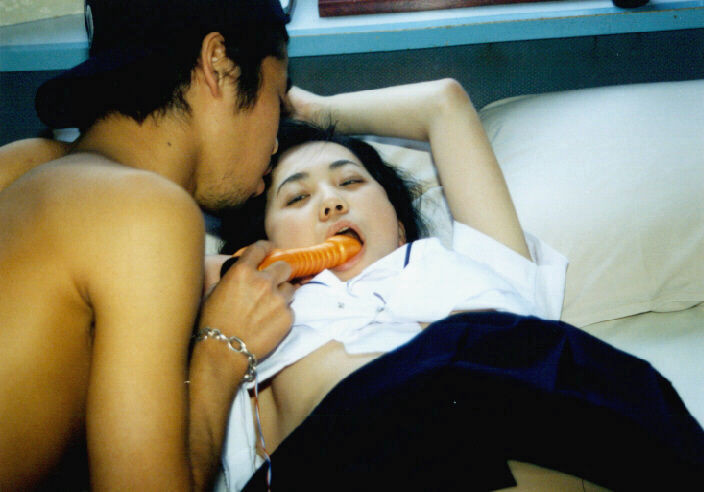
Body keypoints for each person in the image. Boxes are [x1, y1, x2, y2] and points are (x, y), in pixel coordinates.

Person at [211, 80, 704, 490]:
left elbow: (444, 104)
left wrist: (315, 111)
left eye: (351, 182)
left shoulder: (466, 270)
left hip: (541, 438)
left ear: (398, 224)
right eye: (296, 198)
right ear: (262, 241)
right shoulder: (244, 311)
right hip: (354, 456)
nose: (331, 202)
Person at [0, 1, 295, 490]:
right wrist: (222, 349)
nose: (277, 141)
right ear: (218, 63)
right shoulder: (148, 212)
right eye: (278, 100)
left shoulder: (24, 165)